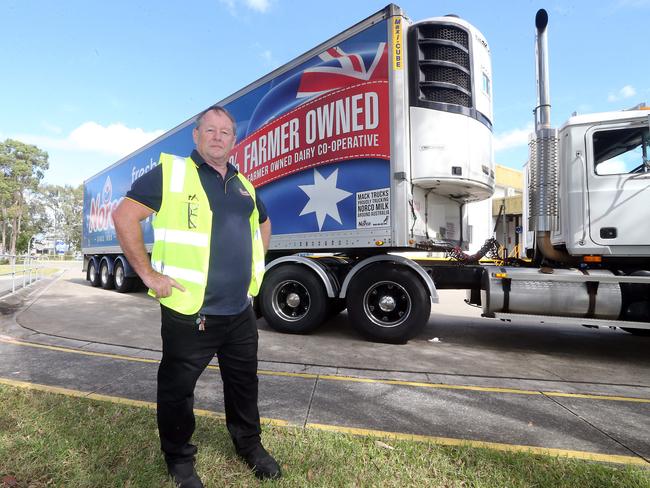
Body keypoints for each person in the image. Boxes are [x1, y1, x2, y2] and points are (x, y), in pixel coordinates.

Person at [112, 105, 279, 487]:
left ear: (234, 140)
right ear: (196, 135)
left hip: (238, 311)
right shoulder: (171, 173)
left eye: (226, 132)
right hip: (191, 311)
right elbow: (124, 217)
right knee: (177, 391)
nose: (218, 137)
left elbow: (264, 223)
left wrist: (256, 267)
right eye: (211, 130)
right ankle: (180, 461)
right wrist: (149, 275)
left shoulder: (244, 185)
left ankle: (249, 446)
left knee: (244, 384)